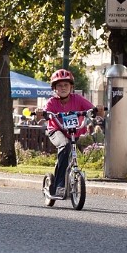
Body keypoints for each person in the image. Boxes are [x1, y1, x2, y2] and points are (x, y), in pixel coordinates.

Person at [44, 69, 96, 197]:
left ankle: (66, 176)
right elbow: (45, 112)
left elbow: (91, 109)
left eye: (66, 85)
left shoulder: (77, 99)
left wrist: (97, 110)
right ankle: (60, 184)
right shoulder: (52, 102)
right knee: (65, 145)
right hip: (56, 131)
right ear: (54, 88)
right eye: (60, 85)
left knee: (68, 152)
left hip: (73, 132)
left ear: (71, 87)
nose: (63, 88)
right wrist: (42, 113)